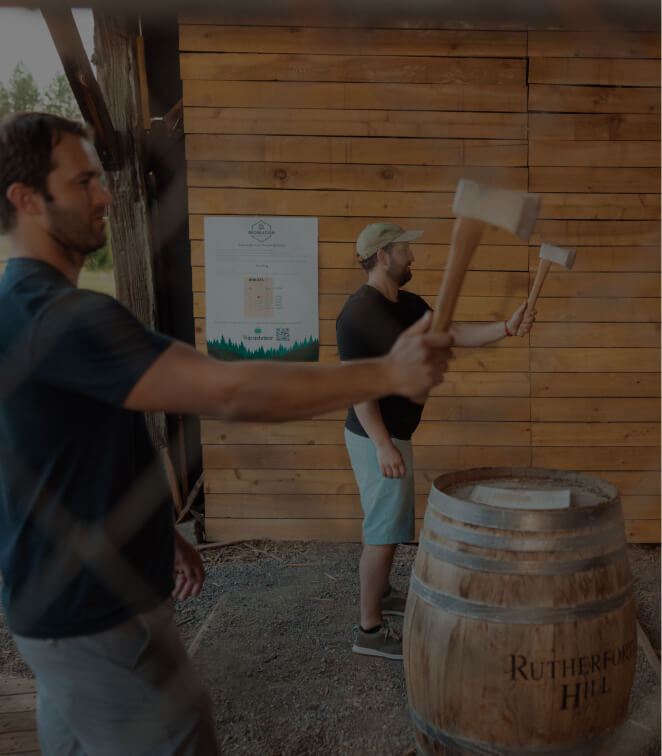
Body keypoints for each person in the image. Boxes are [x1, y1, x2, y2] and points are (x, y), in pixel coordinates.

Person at [0, 113, 453, 756]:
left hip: (51, 610)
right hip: (96, 615)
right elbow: (228, 390)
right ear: (25, 199)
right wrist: (388, 371)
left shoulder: (17, 307)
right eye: (83, 183)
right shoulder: (64, 317)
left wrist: (161, 531)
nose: (104, 196)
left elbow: (83, 448)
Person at [336, 221, 536, 660]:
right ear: (384, 255)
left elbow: (452, 333)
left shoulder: (407, 304)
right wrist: (384, 445)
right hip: (375, 437)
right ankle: (368, 631)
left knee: (388, 524)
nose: (413, 256)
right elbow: (359, 388)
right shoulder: (357, 315)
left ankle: (385, 594)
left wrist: (505, 326)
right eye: (406, 249)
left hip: (394, 433)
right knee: (382, 531)